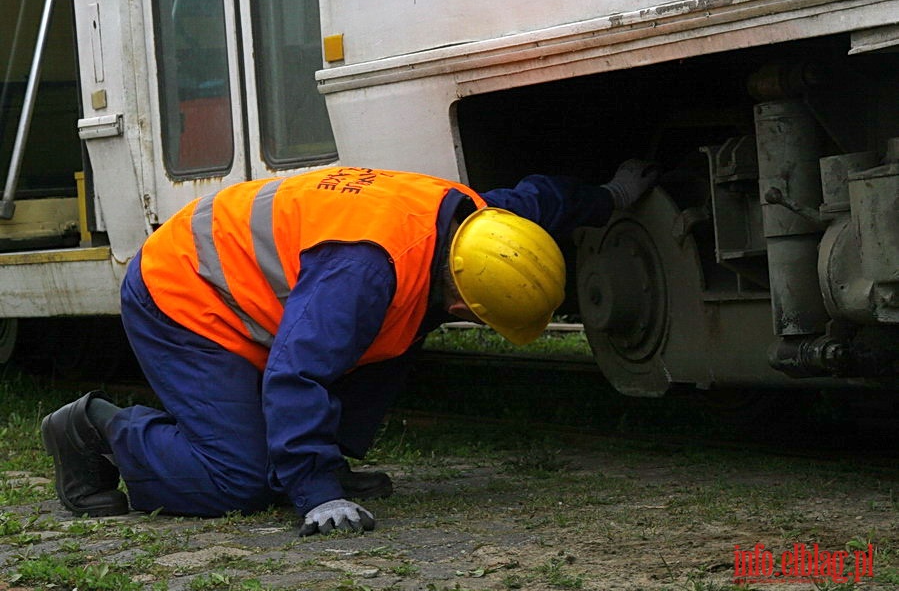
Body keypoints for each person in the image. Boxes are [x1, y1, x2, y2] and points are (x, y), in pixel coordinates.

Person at [41, 160, 658, 536]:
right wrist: (318, 493)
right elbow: (296, 373)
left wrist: (612, 195)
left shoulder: (484, 223)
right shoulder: (365, 272)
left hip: (238, 287)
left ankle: (306, 464)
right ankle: (95, 428)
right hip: (183, 292)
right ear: (468, 303)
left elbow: (544, 197)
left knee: (386, 343)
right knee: (240, 482)